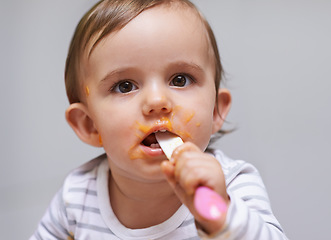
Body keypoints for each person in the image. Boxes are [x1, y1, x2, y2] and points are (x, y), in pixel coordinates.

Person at [31, 0, 287, 239]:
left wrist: (220, 213)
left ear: (215, 112)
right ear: (89, 125)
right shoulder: (76, 197)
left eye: (180, 79)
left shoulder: (231, 185)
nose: (156, 102)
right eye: (125, 86)